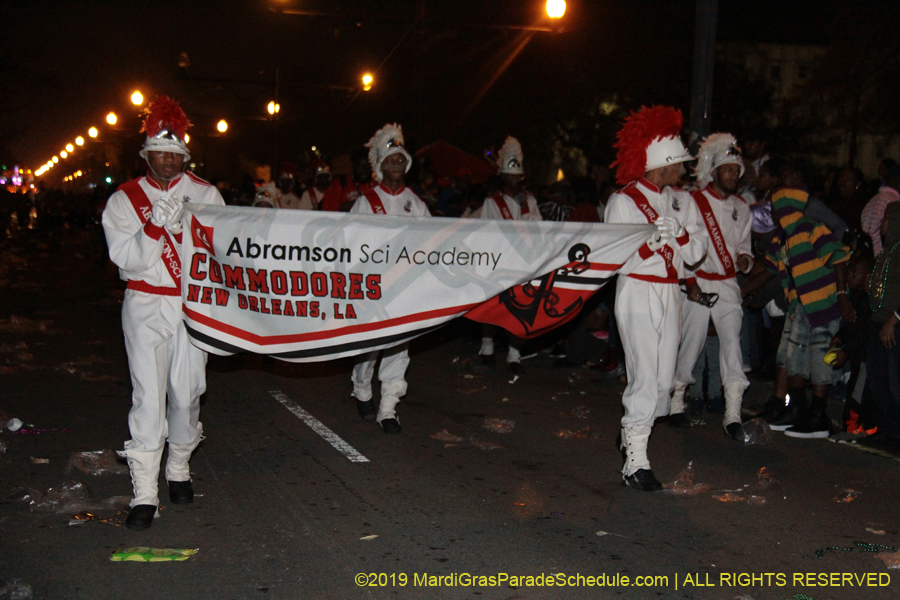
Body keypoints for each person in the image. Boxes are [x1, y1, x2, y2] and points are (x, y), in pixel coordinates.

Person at [101, 96, 225, 529]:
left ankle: (179, 468)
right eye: (160, 152)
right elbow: (126, 262)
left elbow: (223, 253)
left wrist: (187, 232)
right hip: (145, 302)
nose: (169, 160)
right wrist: (154, 226)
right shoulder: (123, 199)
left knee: (187, 392)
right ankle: (145, 493)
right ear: (146, 153)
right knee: (148, 396)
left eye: (176, 153)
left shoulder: (206, 193)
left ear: (185, 154)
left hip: (191, 305)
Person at [605, 106, 708, 491]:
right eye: (678, 163)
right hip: (636, 289)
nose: (683, 170)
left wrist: (679, 235)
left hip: (669, 292)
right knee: (645, 375)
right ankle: (636, 461)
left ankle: (633, 431)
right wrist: (650, 245)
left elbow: (696, 254)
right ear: (661, 164)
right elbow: (612, 257)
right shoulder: (624, 201)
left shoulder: (676, 200)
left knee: (664, 381)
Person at [668, 134, 753, 438]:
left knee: (732, 345)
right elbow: (683, 244)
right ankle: (676, 402)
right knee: (691, 343)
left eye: (736, 170)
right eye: (728, 170)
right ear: (714, 171)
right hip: (698, 282)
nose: (733, 175)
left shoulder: (742, 207)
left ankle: (732, 413)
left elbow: (744, 246)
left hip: (728, 284)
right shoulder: (694, 201)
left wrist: (745, 259)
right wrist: (689, 281)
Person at [349, 124, 430, 434]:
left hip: (404, 290)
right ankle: (362, 388)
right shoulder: (366, 202)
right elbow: (352, 246)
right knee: (369, 347)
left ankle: (388, 409)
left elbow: (431, 244)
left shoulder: (416, 204)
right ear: (379, 166)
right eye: (390, 160)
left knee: (398, 348)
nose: (396, 164)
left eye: (401, 159)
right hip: (372, 289)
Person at [761, 188, 853, 438]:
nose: (773, 213)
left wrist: (842, 296)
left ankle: (818, 416)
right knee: (794, 357)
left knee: (821, 357)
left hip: (823, 302)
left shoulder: (811, 228)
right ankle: (799, 409)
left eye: (776, 208)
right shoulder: (781, 238)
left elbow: (838, 256)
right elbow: (769, 267)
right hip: (800, 307)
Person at [478, 137, 542, 373]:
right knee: (493, 308)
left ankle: (514, 355)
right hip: (498, 263)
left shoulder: (531, 201)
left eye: (518, 176)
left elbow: (539, 230)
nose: (515, 180)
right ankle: (487, 348)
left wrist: (525, 209)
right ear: (503, 176)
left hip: (523, 262)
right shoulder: (492, 202)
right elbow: (485, 232)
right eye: (511, 176)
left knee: (521, 308)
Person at [860, 166, 900, 256]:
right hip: (880, 256)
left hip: (870, 253)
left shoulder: (876, 198)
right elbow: (888, 233)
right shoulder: (892, 202)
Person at [320, 148, 376, 212]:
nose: (365, 169)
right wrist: (359, 204)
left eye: (368, 165)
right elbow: (327, 207)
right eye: (361, 166)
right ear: (354, 166)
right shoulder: (341, 182)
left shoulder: (376, 185)